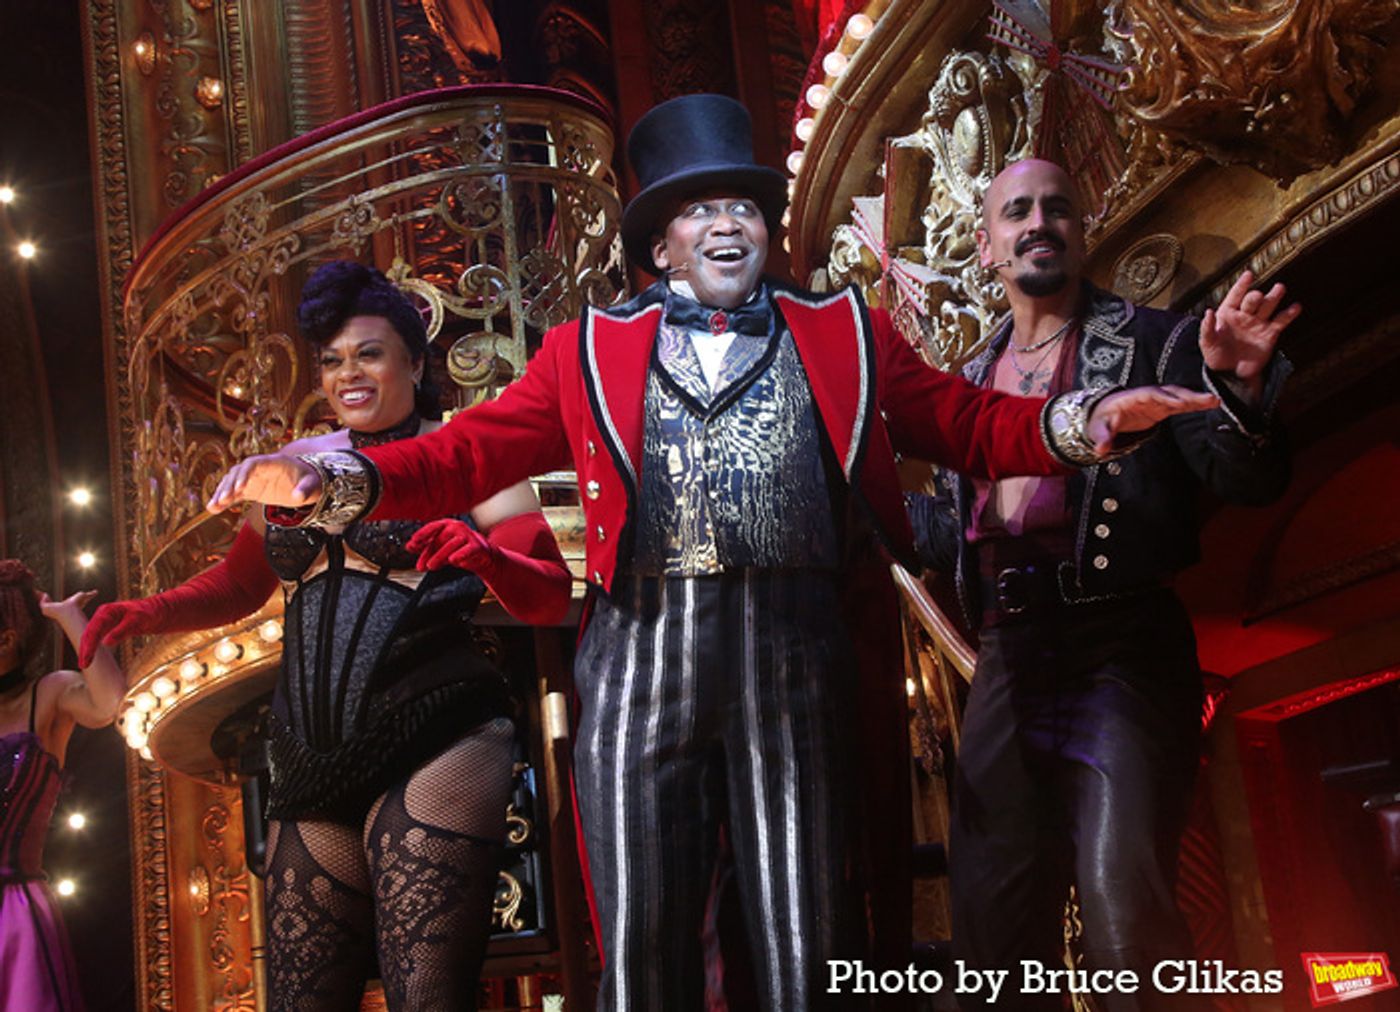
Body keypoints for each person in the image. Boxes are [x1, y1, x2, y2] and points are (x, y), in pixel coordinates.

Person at [199, 96, 1220, 1011]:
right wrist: (333, 485)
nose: (728, 223)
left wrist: (1084, 421)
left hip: (796, 651)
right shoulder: (587, 349)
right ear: (660, 245)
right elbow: (468, 451)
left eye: (744, 206)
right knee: (646, 943)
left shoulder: (844, 333)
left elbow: (971, 423)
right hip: (644, 653)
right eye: (700, 209)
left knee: (806, 938)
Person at [79, 262, 572, 1011]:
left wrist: (487, 557)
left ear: (413, 360)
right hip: (310, 754)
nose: (350, 373)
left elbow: (546, 593)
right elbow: (241, 585)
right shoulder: (297, 467)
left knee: (428, 995)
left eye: (369, 353)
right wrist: (148, 613)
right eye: (334, 360)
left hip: (436, 731)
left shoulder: (473, 454)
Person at [907, 158, 1298, 1009]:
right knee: (994, 946)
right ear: (987, 248)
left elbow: (1245, 480)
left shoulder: (1156, 339)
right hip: (1008, 660)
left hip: (1121, 646)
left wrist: (1236, 390)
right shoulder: (967, 383)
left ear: (1082, 232)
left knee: (1127, 926)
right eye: (1017, 212)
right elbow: (946, 536)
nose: (1038, 222)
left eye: (1057, 207)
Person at [0, 561, 125, 1012]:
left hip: (12, 917)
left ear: (5, 640)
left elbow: (109, 702)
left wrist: (71, 618)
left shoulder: (47, 695)